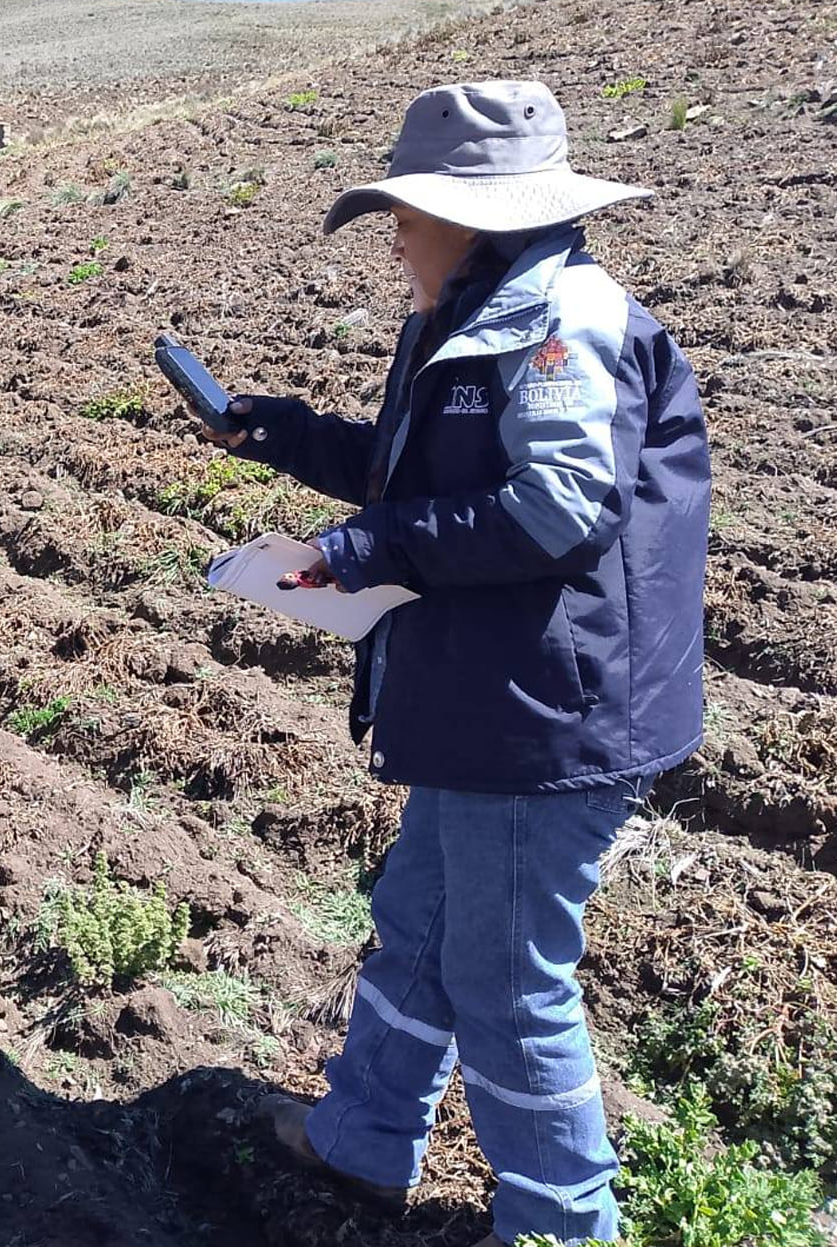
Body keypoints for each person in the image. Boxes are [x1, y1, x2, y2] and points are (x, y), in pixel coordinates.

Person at [209, 82, 710, 1244]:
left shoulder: (559, 325)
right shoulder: (473, 318)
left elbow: (555, 514)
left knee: (505, 980)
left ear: (473, 216)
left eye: (405, 213)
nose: (392, 236)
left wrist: (366, 548)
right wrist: (277, 429)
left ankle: (557, 1224)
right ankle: (363, 1135)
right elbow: (424, 484)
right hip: (488, 694)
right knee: (418, 918)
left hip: (547, 714)